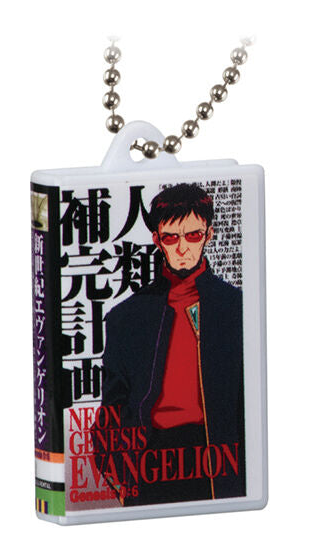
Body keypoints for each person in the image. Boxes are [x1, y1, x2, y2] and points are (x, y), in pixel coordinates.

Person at [93, 183, 244, 506]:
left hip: (219, 455)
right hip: (149, 457)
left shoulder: (236, 308)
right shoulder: (126, 317)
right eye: (171, 238)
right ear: (157, 240)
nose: (183, 248)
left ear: (209, 235)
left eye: (193, 235)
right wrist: (120, 476)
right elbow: (111, 411)